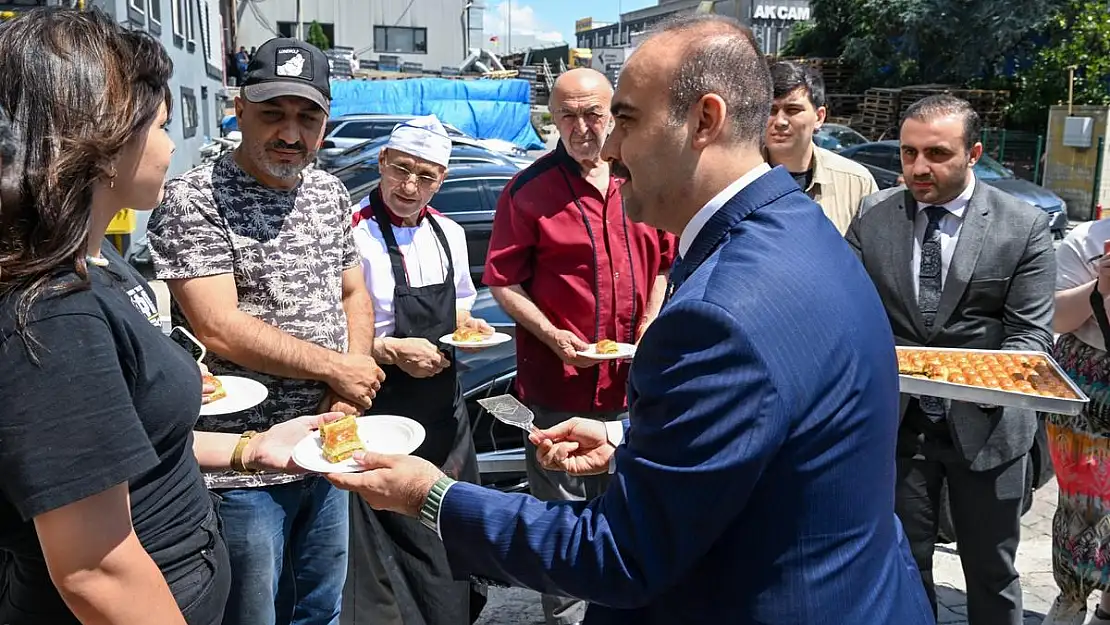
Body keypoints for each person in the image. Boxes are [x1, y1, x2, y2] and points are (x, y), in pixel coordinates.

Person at [326, 14, 934, 625]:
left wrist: (431, 497)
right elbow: (774, 433)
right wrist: (628, 443)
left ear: (705, 120)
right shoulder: (798, 229)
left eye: (628, 119)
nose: (610, 148)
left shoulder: (717, 314)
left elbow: (619, 553)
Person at [0, 9, 341, 625]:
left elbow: (132, 441)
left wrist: (251, 447)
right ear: (103, 142)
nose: (169, 144)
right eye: (160, 125)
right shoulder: (52, 313)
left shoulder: (97, 260)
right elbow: (96, 570)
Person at [146, 36, 384, 625]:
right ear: (240, 108)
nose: (290, 133)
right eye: (273, 113)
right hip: (240, 465)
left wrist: (346, 391)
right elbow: (219, 326)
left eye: (308, 118)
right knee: (251, 616)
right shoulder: (194, 197)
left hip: (328, 448)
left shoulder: (327, 192)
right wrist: (338, 367)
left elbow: (355, 293)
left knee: (320, 609)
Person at [846, 94, 1056, 625]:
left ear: (974, 153)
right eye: (909, 152)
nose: (919, 167)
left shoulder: (1022, 225)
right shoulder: (874, 217)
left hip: (988, 433)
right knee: (904, 567)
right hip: (899, 430)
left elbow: (1030, 338)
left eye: (937, 154)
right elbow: (847, 314)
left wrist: (967, 378)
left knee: (991, 573)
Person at [483, 66, 674, 625]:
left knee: (636, 512)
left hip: (634, 386)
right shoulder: (529, 190)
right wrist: (551, 334)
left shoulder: (638, 177)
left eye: (593, 112)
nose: (582, 126)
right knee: (564, 519)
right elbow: (501, 281)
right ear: (552, 118)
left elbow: (664, 260)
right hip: (559, 387)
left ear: (613, 112)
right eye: (568, 114)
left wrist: (652, 319)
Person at [339, 114, 491, 625]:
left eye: (426, 176)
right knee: (387, 548)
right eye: (400, 169)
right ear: (382, 162)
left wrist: (471, 332)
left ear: (441, 179)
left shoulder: (448, 231)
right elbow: (335, 332)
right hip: (380, 406)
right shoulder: (351, 234)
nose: (409, 186)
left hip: (445, 413)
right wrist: (389, 349)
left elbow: (462, 307)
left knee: (447, 531)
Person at [1041, 220, 1110, 625]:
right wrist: (1099, 288)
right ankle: (1070, 601)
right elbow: (1057, 318)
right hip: (1086, 400)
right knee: (1083, 512)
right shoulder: (1087, 239)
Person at [764, 60, 877, 235]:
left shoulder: (856, 183)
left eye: (792, 110)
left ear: (819, 117)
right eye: (771, 110)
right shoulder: (736, 178)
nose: (780, 121)